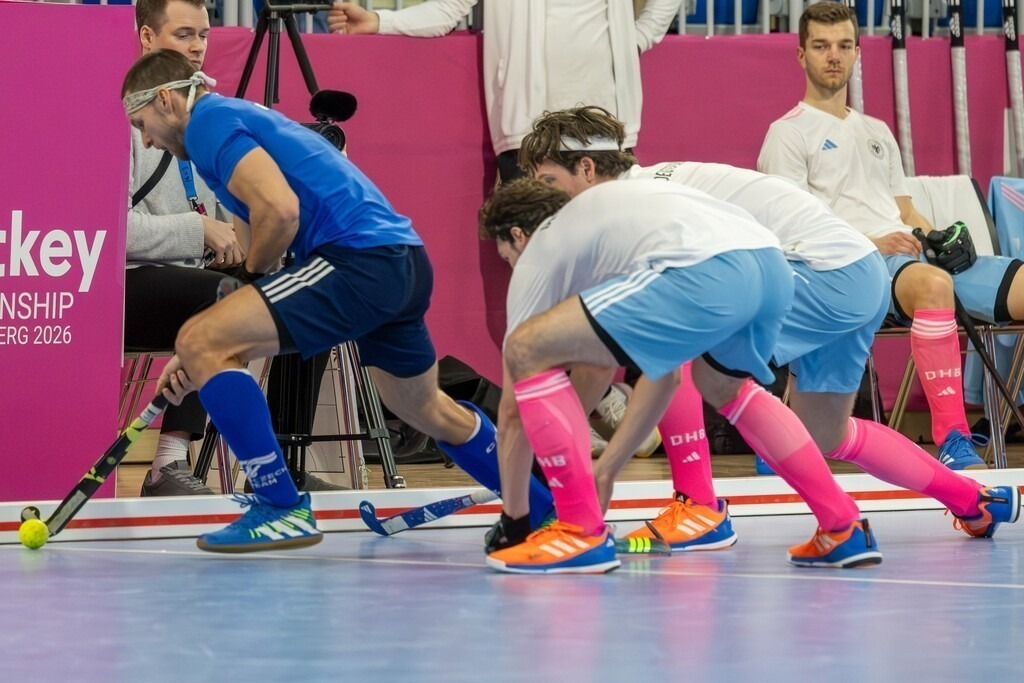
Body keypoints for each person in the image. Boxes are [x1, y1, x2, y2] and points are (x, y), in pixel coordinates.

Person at [515, 105, 1020, 552]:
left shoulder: (629, 206)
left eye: (548, 183)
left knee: (694, 361)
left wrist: (552, 443)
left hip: (820, 271)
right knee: (828, 433)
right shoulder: (658, 183)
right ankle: (974, 499)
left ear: (586, 167)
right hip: (856, 271)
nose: (546, 201)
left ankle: (701, 506)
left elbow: (619, 362)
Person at [120, 49, 554, 552]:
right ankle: (542, 509)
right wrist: (206, 342)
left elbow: (279, 212)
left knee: (203, 339)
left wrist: (223, 317)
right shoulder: (229, 125)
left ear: (168, 100)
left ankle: (280, 507)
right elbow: (254, 227)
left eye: (142, 123)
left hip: (357, 260)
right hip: (403, 261)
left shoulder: (208, 122)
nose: (146, 139)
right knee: (422, 407)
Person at [479, 177, 882, 574]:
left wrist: (515, 522)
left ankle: (579, 532)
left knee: (524, 348)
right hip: (771, 268)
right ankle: (841, 524)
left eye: (507, 257)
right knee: (721, 385)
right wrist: (607, 469)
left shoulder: (543, 245)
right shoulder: (613, 232)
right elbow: (665, 378)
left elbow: (515, 405)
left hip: (708, 270)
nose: (513, 266)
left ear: (517, 235)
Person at [758, 1, 1024, 471]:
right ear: (801, 54)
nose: (833, 56)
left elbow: (905, 210)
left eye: (843, 46)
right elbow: (790, 225)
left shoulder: (876, 130)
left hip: (909, 259)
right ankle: (955, 441)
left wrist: (937, 234)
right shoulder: (786, 133)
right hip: (848, 267)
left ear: (858, 52)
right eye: (821, 47)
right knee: (933, 286)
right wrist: (870, 242)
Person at [325, 0, 677, 182]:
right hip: (529, 133)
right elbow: (448, 10)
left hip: (607, 127)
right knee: (536, 257)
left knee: (615, 250)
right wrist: (380, 20)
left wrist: (641, 36)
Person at [126, 0, 240, 497]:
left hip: (193, 276)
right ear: (147, 38)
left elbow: (221, 218)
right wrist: (200, 232)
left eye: (204, 35)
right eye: (184, 34)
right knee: (219, 296)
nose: (197, 47)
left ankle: (285, 456)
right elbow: (105, 232)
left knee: (298, 296)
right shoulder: (123, 115)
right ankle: (168, 463)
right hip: (126, 281)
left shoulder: (210, 115)